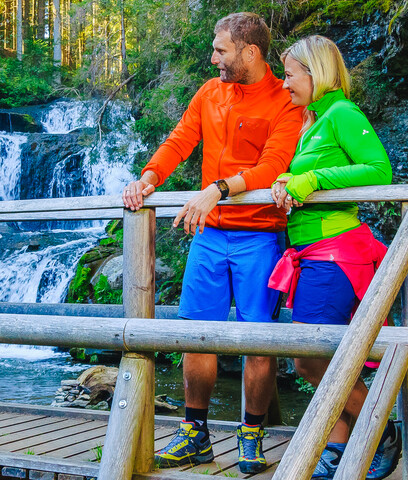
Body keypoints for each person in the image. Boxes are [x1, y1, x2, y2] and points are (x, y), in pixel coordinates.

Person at [122, 12, 303, 474]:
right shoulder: (209, 91)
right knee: (194, 334)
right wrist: (147, 179)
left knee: (257, 340)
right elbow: (180, 140)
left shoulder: (286, 101)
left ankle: (252, 435)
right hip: (208, 236)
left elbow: (274, 166)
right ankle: (195, 433)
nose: (213, 57)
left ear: (250, 52)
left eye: (221, 50)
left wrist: (217, 188)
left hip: (259, 235)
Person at [268, 35, 399, 480]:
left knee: (308, 358)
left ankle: (380, 429)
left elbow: (380, 170)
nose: (285, 84)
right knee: (326, 358)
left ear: (315, 72)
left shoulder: (342, 113)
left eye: (289, 74)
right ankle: (339, 451)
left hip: (335, 253)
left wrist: (310, 181)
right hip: (310, 255)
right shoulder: (314, 119)